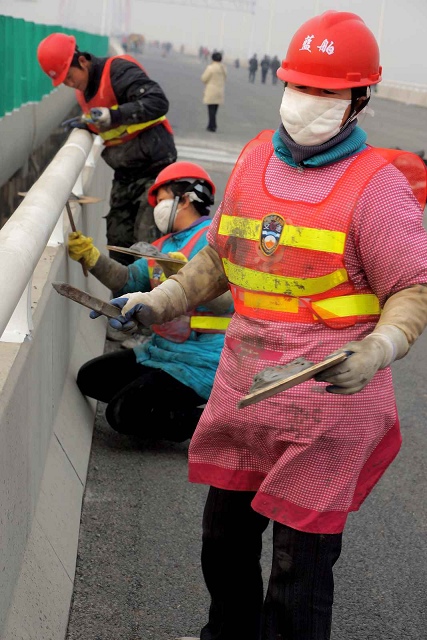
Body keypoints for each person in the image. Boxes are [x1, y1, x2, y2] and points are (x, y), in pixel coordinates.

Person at [95, 10, 427, 640]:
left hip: (326, 395)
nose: (306, 100)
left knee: (299, 566)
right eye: (300, 85)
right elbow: (219, 259)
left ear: (359, 99)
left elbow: (411, 287)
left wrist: (379, 348)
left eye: (326, 91)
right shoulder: (253, 161)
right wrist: (160, 300)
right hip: (246, 387)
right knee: (222, 541)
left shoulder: (377, 188)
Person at [70, 161, 233, 440]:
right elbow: (129, 281)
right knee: (90, 378)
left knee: (122, 414)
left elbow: (228, 303)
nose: (157, 208)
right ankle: (166, 406)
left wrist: (185, 278)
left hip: (203, 361)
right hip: (160, 352)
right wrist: (92, 258)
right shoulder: (164, 245)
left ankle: (216, 426)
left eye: (162, 199)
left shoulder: (213, 241)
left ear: (185, 199)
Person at [37, 32, 177, 266]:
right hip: (125, 172)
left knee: (147, 243)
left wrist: (114, 115)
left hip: (155, 168)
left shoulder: (118, 71)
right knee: (118, 242)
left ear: (82, 61)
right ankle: (126, 290)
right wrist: (87, 124)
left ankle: (150, 290)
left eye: (70, 76)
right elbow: (105, 123)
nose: (70, 84)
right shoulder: (83, 93)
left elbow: (158, 102)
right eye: (64, 82)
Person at [201, 52, 227, 133]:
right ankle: (211, 125)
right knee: (215, 110)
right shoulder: (223, 68)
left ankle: (212, 125)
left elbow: (204, 78)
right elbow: (225, 77)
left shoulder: (210, 68)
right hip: (219, 90)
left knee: (211, 110)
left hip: (211, 90)